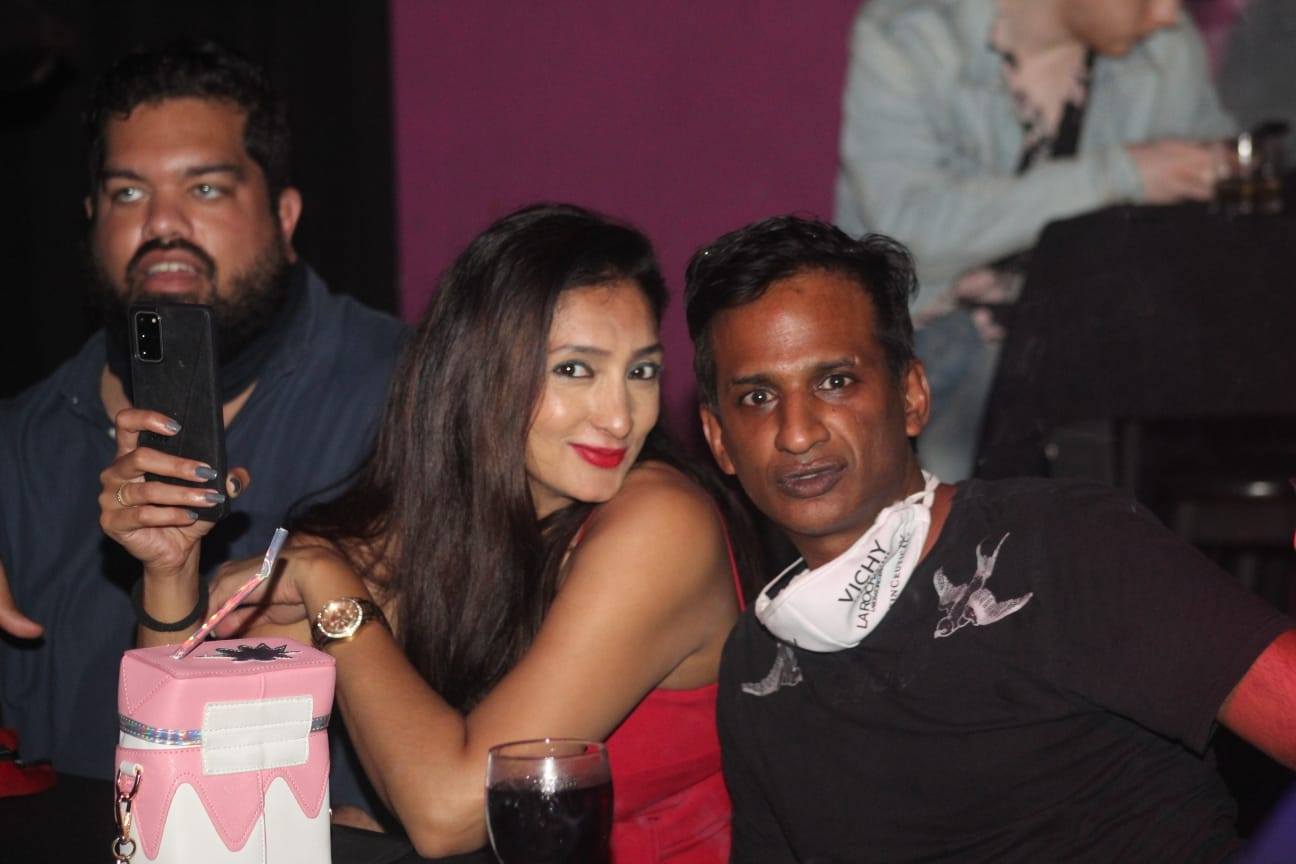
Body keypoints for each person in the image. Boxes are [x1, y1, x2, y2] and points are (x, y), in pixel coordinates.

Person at [102, 203, 754, 860]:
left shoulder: (662, 525)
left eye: (641, 371)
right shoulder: (421, 528)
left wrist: (333, 591)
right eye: (575, 369)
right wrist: (170, 570)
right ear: (481, 371)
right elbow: (187, 746)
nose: (620, 417)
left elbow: (450, 811)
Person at [683, 214, 1296, 862]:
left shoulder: (1058, 542)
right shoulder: (756, 664)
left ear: (912, 395)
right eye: (757, 397)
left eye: (835, 382)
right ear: (719, 439)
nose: (797, 432)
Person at [0, 40, 406, 811]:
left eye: (206, 188)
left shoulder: (407, 399)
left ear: (285, 216)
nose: (162, 225)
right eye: (127, 193)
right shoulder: (21, 446)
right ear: (90, 220)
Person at [834, 0, 1236, 482]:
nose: (1168, 14)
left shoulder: (1163, 44)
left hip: (1104, 340)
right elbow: (907, 233)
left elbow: (1211, 217)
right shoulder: (912, 35)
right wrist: (1120, 174)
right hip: (937, 336)